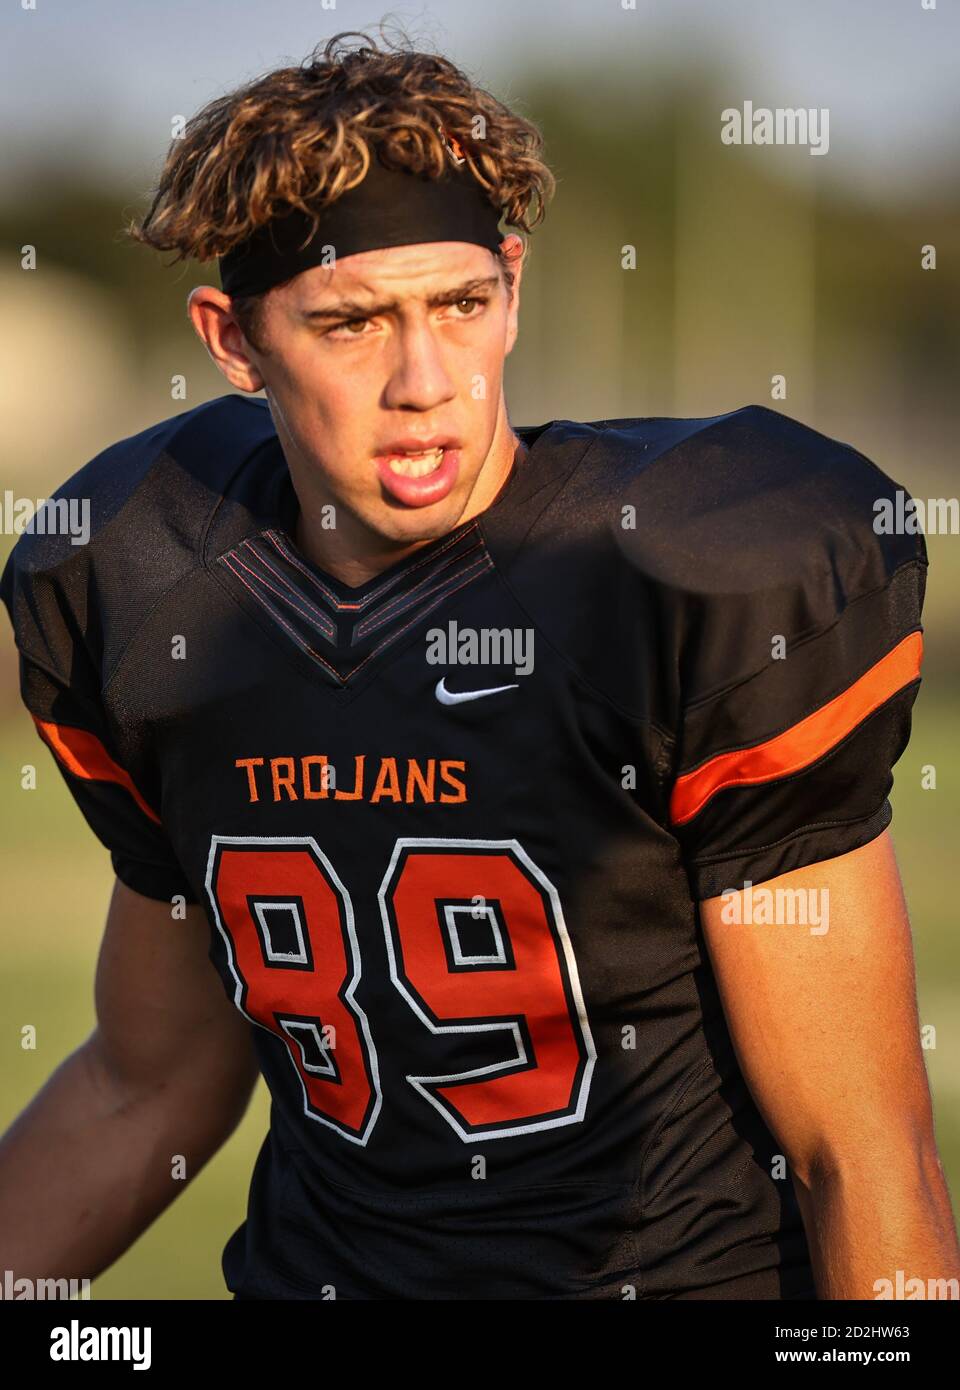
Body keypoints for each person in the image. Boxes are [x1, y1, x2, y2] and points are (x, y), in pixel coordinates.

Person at [1, 29, 957, 1301]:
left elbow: (860, 1150)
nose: (427, 381)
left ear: (513, 284)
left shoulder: (686, 574)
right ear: (233, 341)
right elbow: (144, 1083)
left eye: (462, 305)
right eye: (351, 323)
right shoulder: (140, 578)